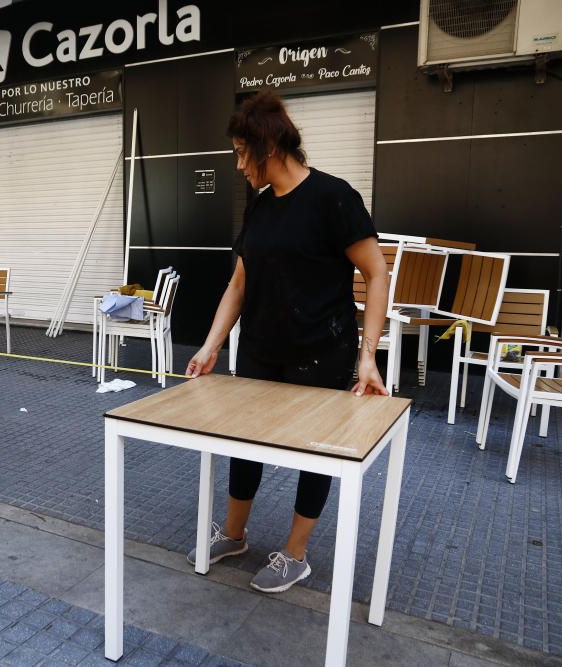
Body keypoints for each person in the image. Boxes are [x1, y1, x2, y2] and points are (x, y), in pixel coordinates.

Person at [185, 91, 390, 593]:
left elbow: (377, 272)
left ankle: (295, 554)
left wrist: (368, 356)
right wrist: (212, 345)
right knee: (243, 442)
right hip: (259, 347)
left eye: (240, 152)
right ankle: (234, 534)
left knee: (314, 453)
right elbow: (239, 282)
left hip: (322, 350)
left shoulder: (333, 198)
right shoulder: (258, 207)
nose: (238, 165)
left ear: (269, 146)